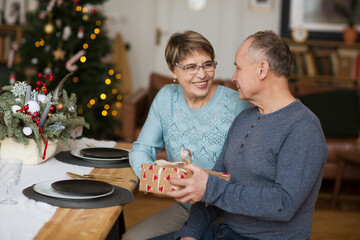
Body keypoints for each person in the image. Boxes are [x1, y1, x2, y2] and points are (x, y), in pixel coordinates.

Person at [151, 30, 328, 240]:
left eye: (238, 68)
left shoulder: (303, 127)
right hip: (225, 232)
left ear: (262, 69)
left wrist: (210, 188)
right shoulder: (244, 119)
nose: (233, 77)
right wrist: (190, 234)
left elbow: (284, 204)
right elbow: (213, 186)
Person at [123, 31, 251, 239]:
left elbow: (249, 170)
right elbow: (142, 148)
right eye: (191, 67)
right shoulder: (166, 98)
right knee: (131, 238)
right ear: (173, 70)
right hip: (186, 209)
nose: (202, 74)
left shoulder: (237, 103)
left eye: (207, 64)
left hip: (229, 211)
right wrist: (150, 178)